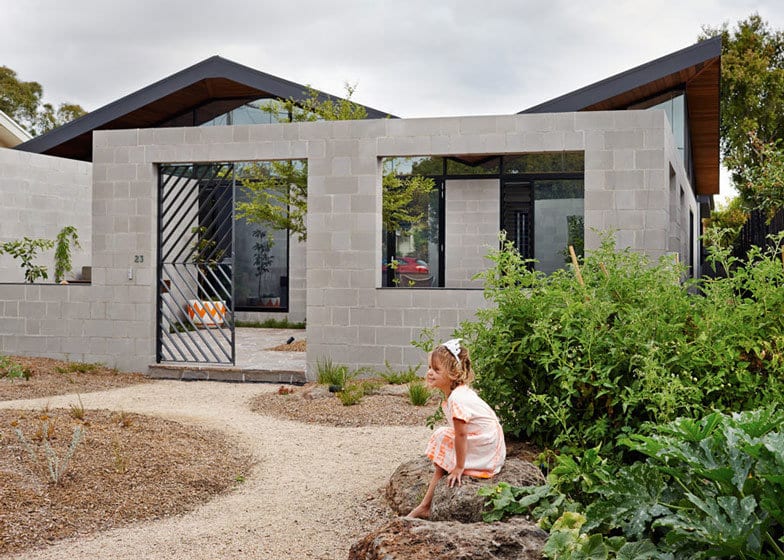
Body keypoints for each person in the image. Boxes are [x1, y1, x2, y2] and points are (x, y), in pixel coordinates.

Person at [407, 338, 506, 519]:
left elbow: (461, 434)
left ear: (453, 373)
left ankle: (425, 505)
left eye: (437, 370)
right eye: (430, 367)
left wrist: (459, 467)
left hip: (486, 447)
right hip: (484, 440)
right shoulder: (457, 394)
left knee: (441, 436)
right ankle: (425, 504)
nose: (430, 373)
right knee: (443, 438)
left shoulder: (458, 399)